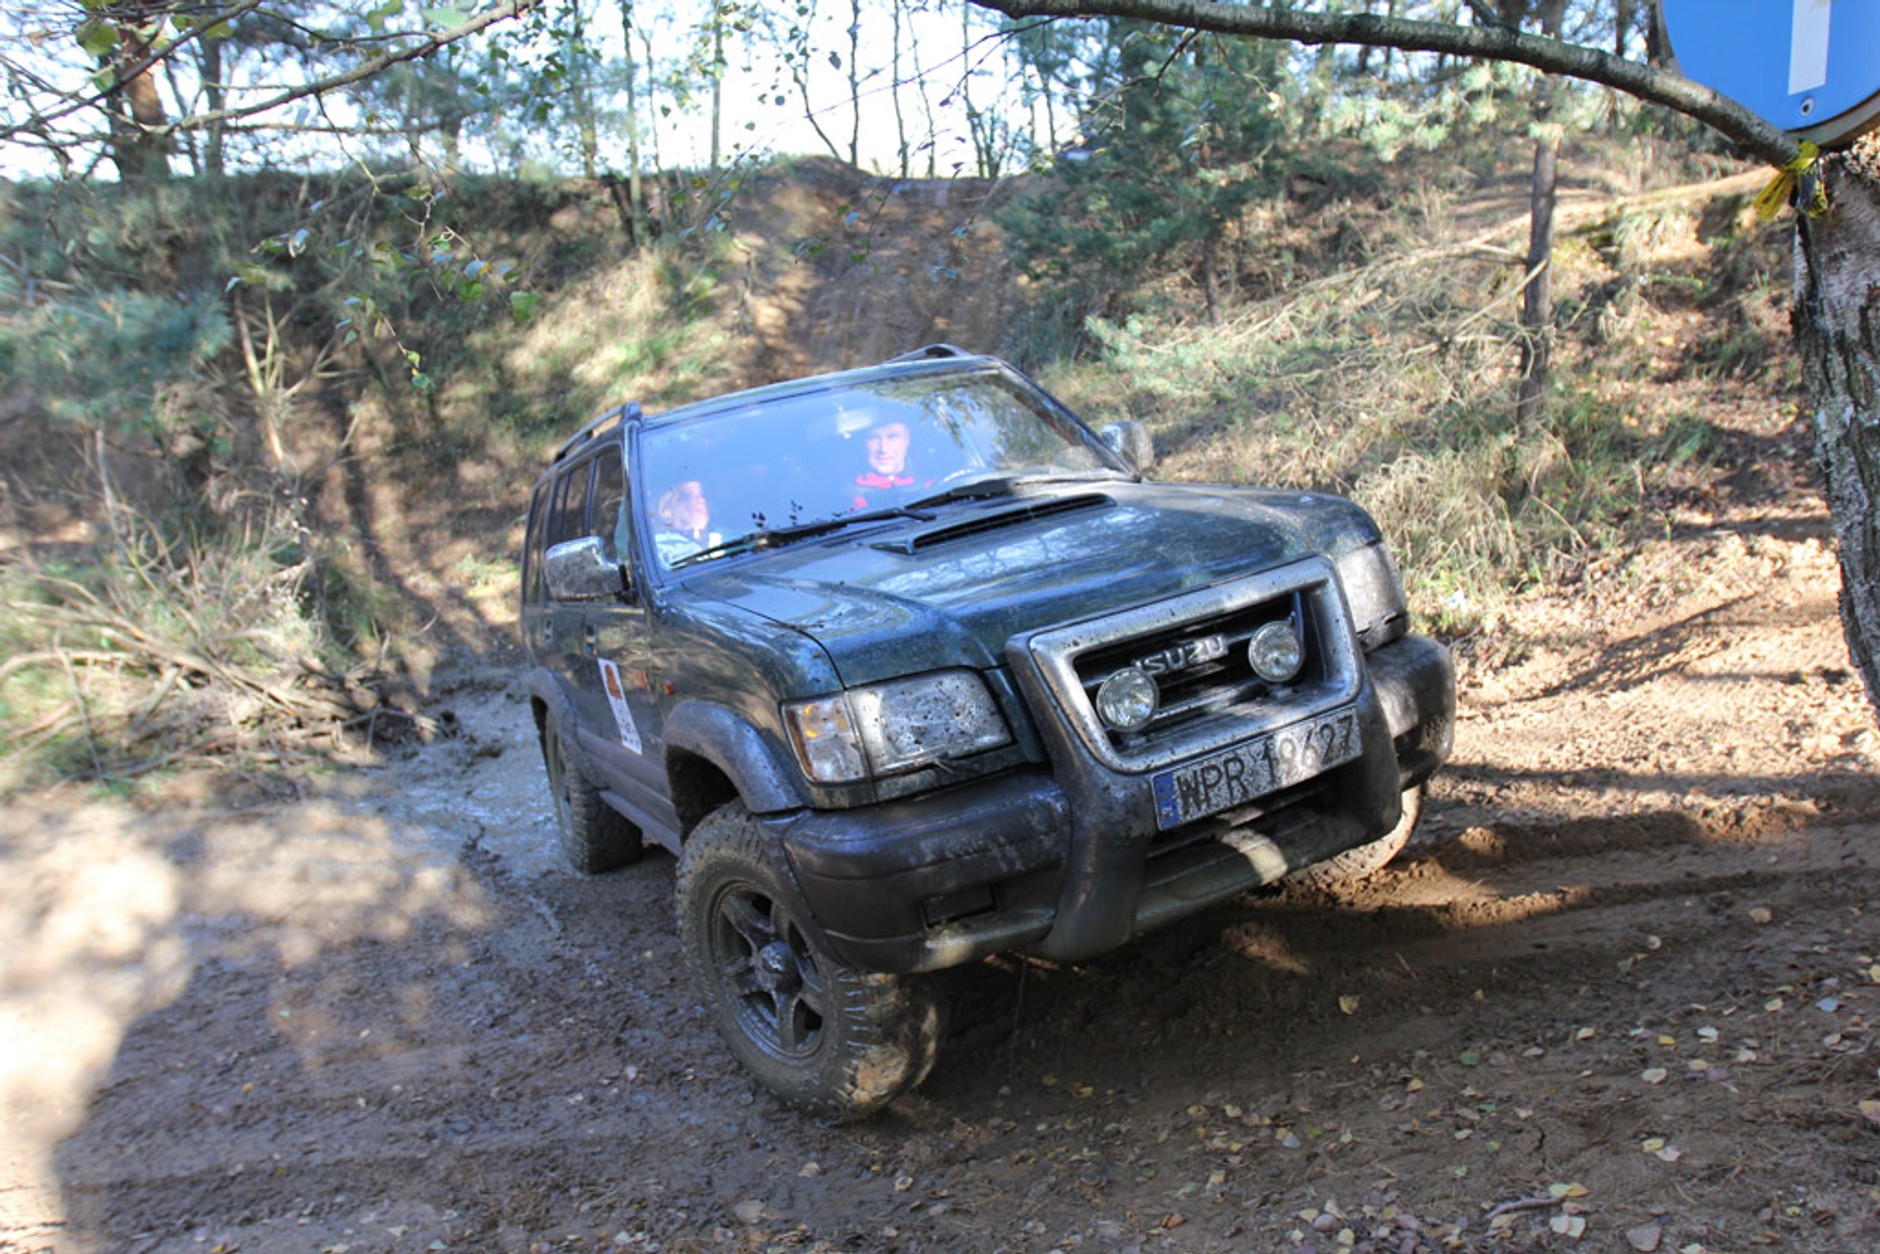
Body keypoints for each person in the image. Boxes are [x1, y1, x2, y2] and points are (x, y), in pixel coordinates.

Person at [850, 417, 919, 510]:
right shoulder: (848, 494)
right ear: (862, 443)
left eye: (892, 437)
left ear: (907, 439)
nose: (883, 449)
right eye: (874, 438)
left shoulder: (932, 480)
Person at [654, 479, 719, 567]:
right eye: (687, 496)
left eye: (702, 494)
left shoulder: (730, 539)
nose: (700, 500)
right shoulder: (660, 549)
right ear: (667, 509)